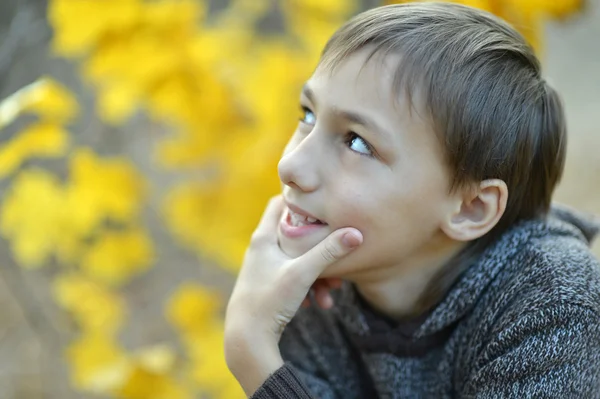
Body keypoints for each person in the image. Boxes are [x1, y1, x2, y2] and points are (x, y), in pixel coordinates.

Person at [224, 3, 600, 398]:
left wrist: (253, 354)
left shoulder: (552, 308)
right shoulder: (303, 292)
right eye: (308, 115)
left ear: (470, 208)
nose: (290, 164)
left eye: (357, 142)